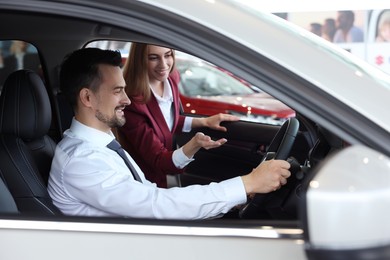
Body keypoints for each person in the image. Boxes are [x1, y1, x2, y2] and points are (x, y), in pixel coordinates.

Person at [47, 48, 291, 220]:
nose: (127, 99)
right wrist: (246, 183)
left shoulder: (101, 144)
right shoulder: (82, 161)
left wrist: (232, 197)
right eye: (118, 91)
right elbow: (154, 205)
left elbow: (148, 195)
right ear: (87, 97)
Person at [116, 43, 239, 188]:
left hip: (166, 176)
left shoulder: (171, 78)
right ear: (140, 60)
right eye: (153, 58)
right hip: (146, 182)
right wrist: (194, 144)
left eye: (167, 55)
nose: (163, 65)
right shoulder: (132, 102)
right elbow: (159, 160)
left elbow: (165, 121)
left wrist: (204, 122)